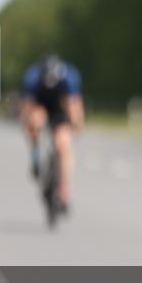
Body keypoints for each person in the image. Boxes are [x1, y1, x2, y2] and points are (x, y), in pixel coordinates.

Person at [20, 55, 84, 211]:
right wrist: (29, 128)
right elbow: (27, 107)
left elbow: (74, 106)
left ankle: (64, 189)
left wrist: (76, 126)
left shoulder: (69, 78)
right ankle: (35, 157)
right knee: (34, 122)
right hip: (41, 105)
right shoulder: (33, 78)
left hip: (60, 108)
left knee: (64, 146)